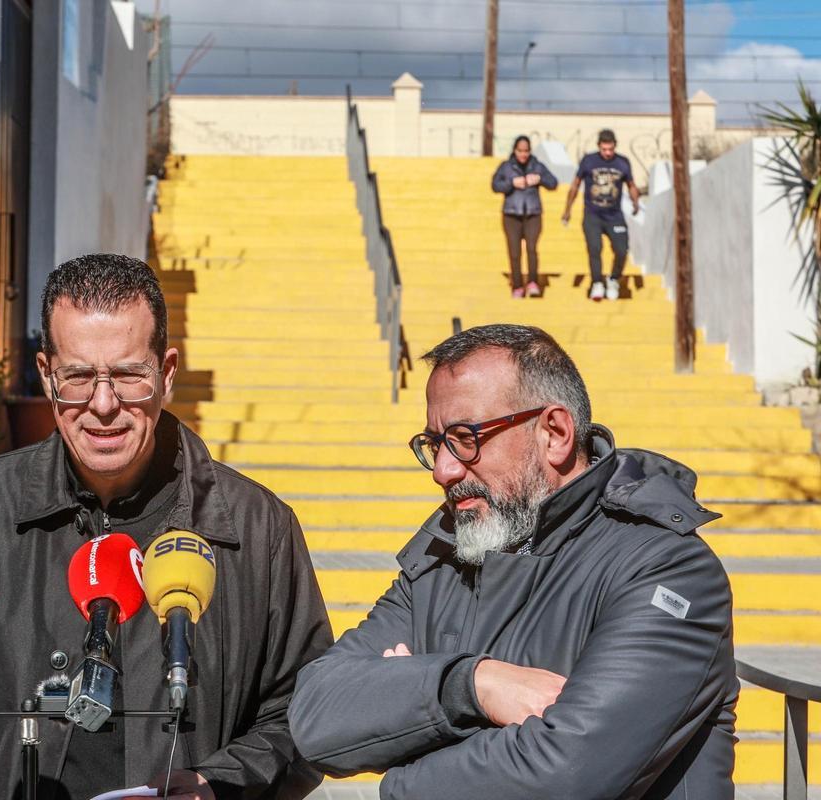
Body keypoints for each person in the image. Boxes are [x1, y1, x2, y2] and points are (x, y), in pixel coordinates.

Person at [0, 253, 332, 800]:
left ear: (167, 373)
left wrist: (216, 787)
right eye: (78, 377)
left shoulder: (258, 529)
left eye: (129, 375)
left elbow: (303, 715)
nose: (103, 405)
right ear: (45, 376)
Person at [288, 324, 738, 799]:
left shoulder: (665, 568)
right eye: (434, 443)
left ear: (555, 434)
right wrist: (469, 685)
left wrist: (404, 757)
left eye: (465, 437)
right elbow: (315, 717)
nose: (443, 469)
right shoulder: (447, 559)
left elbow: (567, 775)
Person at [561, 129, 642, 301]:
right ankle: (597, 282)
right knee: (595, 248)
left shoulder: (622, 162)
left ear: (615, 147)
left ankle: (613, 279)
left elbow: (631, 185)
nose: (607, 153)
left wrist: (636, 203)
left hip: (614, 215)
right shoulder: (589, 161)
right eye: (604, 149)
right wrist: (567, 210)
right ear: (599, 146)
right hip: (593, 215)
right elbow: (575, 185)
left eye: (610, 149)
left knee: (621, 249)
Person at [491, 135, 558, 299]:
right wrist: (511, 184)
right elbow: (495, 185)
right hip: (511, 214)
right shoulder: (506, 166)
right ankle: (517, 285)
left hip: (533, 214)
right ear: (515, 150)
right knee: (514, 252)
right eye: (520, 150)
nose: (523, 154)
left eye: (526, 150)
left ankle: (533, 282)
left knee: (531, 249)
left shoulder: (537, 165)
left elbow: (553, 183)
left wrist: (540, 179)